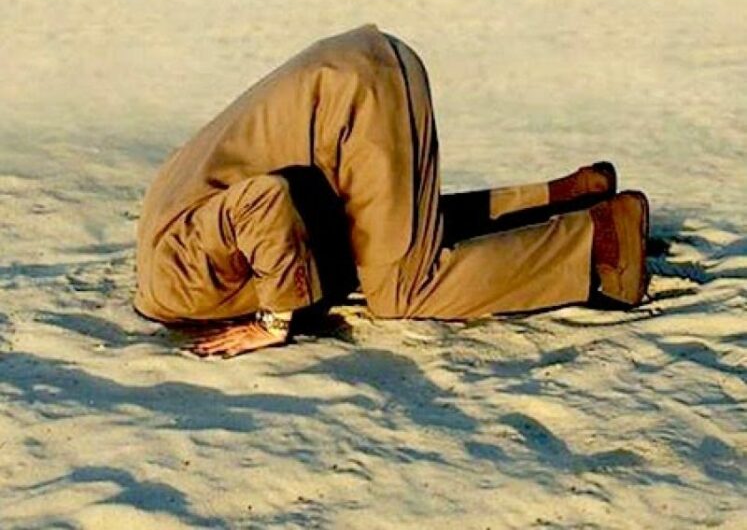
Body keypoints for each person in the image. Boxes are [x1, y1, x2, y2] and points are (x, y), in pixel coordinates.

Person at [134, 24, 649, 358]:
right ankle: (568, 198)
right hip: (348, 83)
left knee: (402, 286)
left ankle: (601, 244)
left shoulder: (179, 281)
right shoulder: (174, 261)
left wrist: (273, 320)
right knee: (387, 240)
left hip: (355, 97)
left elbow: (263, 202)